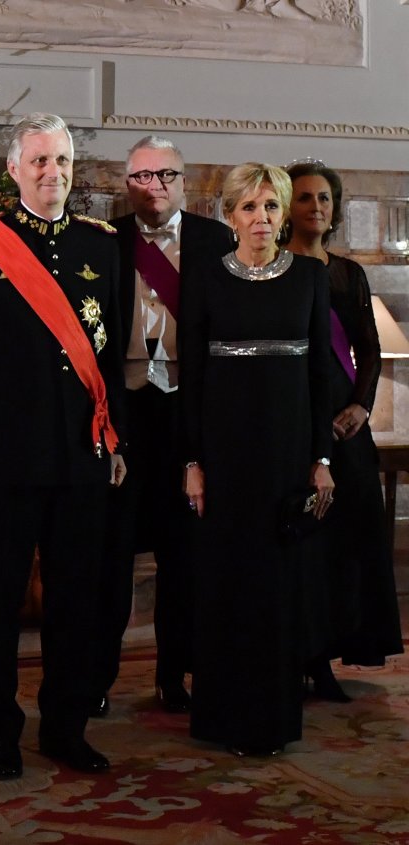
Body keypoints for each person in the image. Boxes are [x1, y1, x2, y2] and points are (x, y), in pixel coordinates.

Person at [0, 113, 128, 779]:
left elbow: (116, 350)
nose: (53, 173)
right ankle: (1, 730)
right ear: (14, 169)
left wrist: (115, 435)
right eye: (40, 161)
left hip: (80, 454)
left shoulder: (101, 246)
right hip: (5, 457)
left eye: (63, 161)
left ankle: (66, 725)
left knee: (77, 599)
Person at [181, 162, 334, 756]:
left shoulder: (310, 280)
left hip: (288, 454)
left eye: (272, 207)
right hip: (224, 455)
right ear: (230, 215)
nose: (262, 219)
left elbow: (320, 376)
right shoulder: (205, 279)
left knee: (277, 588)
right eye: (250, 207)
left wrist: (321, 458)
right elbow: (192, 375)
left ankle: (272, 719)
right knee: (226, 584)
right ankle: (221, 717)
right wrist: (192, 461)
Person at [92, 136, 233, 717]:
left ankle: (174, 675)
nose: (154, 186)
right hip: (123, 412)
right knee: (110, 556)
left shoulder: (215, 240)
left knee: (185, 556)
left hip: (187, 414)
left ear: (185, 180)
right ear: (128, 184)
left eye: (166, 175)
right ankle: (94, 677)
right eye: (142, 176)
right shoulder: (103, 241)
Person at [284, 159, 404, 696]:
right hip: (290, 420)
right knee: (300, 544)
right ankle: (297, 653)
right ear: (287, 206)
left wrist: (360, 406)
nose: (316, 207)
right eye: (305, 197)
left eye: (324, 199)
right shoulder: (272, 268)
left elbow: (370, 351)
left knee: (348, 541)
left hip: (346, 424)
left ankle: (331, 655)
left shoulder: (347, 273)